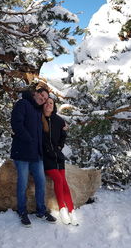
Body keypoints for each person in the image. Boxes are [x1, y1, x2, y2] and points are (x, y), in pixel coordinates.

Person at [10, 87, 57, 227]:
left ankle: (41, 211)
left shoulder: (38, 110)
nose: (43, 99)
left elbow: (50, 117)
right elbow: (16, 124)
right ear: (35, 93)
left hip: (36, 154)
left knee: (41, 182)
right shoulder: (22, 104)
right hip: (22, 152)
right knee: (23, 183)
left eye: (45, 98)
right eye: (42, 95)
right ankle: (22, 211)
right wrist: (29, 139)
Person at [42, 97, 78, 226]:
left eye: (51, 103)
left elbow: (64, 135)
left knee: (64, 182)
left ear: (54, 106)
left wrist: (59, 147)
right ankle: (62, 209)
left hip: (58, 156)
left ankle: (72, 211)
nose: (48, 105)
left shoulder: (58, 120)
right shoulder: (38, 119)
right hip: (46, 158)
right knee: (58, 179)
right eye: (46, 103)